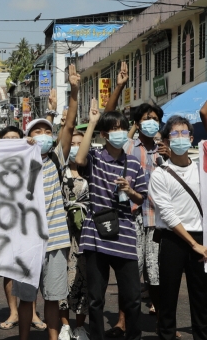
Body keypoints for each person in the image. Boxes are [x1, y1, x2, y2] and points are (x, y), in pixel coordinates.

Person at [12, 63, 79, 340]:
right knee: (27, 300)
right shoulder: (17, 164)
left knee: (53, 298)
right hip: (26, 241)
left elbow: (70, 124)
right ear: (28, 137)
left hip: (56, 240)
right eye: (37, 132)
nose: (42, 136)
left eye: (46, 132)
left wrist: (74, 92)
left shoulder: (56, 158)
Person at [102, 62, 166, 337]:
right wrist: (119, 86)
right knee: (131, 272)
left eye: (156, 118)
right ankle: (122, 321)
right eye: (147, 118)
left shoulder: (167, 149)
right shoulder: (128, 146)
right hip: (133, 218)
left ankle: (165, 322)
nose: (151, 122)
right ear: (138, 123)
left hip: (162, 220)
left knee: (161, 276)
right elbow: (108, 117)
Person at [75, 99, 147, 340]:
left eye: (122, 128)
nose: (119, 133)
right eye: (113, 129)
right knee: (96, 298)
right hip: (96, 233)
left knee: (132, 296)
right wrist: (92, 124)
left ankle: (133, 336)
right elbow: (79, 160)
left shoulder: (134, 163)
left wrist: (129, 191)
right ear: (104, 134)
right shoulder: (95, 157)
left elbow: (142, 196)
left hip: (124, 233)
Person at [150, 115, 207, 340]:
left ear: (192, 138)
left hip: (201, 238)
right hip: (174, 239)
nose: (180, 137)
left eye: (185, 133)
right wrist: (194, 245)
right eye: (175, 134)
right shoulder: (160, 174)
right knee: (168, 300)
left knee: (201, 301)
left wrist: (200, 244)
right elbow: (168, 215)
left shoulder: (202, 171)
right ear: (166, 141)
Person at [0, 125, 47, 333]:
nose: (11, 141)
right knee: (9, 270)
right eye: (6, 138)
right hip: (5, 223)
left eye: (15, 138)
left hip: (30, 224)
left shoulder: (31, 158)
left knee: (31, 267)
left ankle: (32, 311)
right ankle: (13, 312)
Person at [58, 130, 90, 340]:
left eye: (81, 143)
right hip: (62, 234)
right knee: (62, 280)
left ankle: (80, 326)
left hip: (85, 236)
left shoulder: (92, 174)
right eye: (73, 143)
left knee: (84, 279)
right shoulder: (58, 172)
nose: (77, 147)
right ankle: (64, 325)